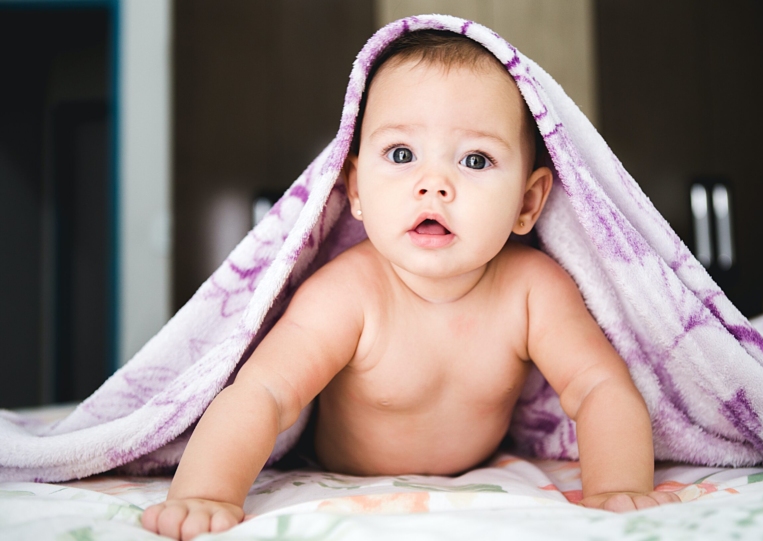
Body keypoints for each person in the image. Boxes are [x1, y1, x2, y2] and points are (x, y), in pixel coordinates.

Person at [141, 30, 679, 541]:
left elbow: (600, 388)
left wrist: (618, 489)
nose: (434, 184)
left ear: (527, 203)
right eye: (402, 154)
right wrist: (208, 493)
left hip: (483, 466)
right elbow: (265, 394)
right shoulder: (348, 293)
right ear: (354, 189)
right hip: (342, 470)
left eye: (475, 159)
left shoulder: (533, 290)